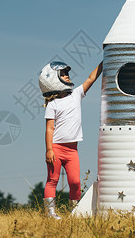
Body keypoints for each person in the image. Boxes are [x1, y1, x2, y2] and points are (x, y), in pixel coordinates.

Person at [38, 60, 103, 219]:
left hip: (72, 150)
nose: (67, 76)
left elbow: (90, 79)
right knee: (52, 180)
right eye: (63, 74)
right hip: (56, 149)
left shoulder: (76, 94)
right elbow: (49, 128)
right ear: (52, 79)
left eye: (67, 74)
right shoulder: (52, 104)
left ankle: (74, 211)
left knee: (75, 182)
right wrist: (49, 149)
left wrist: (104, 62)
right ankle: (50, 213)